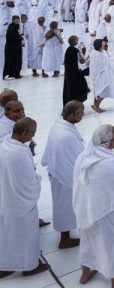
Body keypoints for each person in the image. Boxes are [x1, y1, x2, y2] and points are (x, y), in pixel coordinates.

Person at [73, 124, 114, 287]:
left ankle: (87, 270)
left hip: (86, 210)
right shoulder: (108, 162)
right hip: (106, 212)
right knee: (111, 246)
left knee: (89, 242)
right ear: (107, 141)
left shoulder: (84, 156)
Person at [0, 117, 47, 278]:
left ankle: (6, 265)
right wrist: (38, 181)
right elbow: (29, 186)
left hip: (6, 199)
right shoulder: (18, 153)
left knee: (7, 235)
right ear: (23, 132)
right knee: (26, 235)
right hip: (20, 204)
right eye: (32, 133)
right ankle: (29, 266)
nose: (33, 136)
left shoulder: (7, 142)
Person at [41, 100, 85, 249]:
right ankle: (64, 239)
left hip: (59, 171)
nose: (83, 115)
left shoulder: (60, 125)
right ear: (74, 114)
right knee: (65, 206)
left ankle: (66, 234)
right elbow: (79, 157)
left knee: (64, 206)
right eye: (81, 113)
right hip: (64, 176)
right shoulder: (65, 135)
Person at [89, 38, 114, 113]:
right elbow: (105, 64)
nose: (104, 44)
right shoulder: (98, 56)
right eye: (103, 44)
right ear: (100, 46)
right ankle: (96, 106)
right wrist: (113, 59)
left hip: (104, 76)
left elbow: (107, 56)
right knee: (102, 92)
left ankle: (96, 105)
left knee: (100, 91)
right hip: (101, 76)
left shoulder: (96, 52)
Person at [62, 35, 89, 105]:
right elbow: (82, 61)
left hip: (69, 73)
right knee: (78, 88)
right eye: (77, 40)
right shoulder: (75, 50)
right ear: (75, 41)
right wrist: (82, 51)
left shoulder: (68, 50)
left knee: (69, 88)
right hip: (75, 73)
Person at [2, 15, 23, 80]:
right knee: (10, 61)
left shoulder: (17, 27)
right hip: (11, 48)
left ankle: (16, 74)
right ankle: (9, 74)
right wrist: (19, 38)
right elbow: (11, 37)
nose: (18, 21)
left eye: (18, 20)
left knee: (17, 60)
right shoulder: (11, 27)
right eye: (16, 20)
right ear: (13, 20)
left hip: (17, 47)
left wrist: (20, 37)